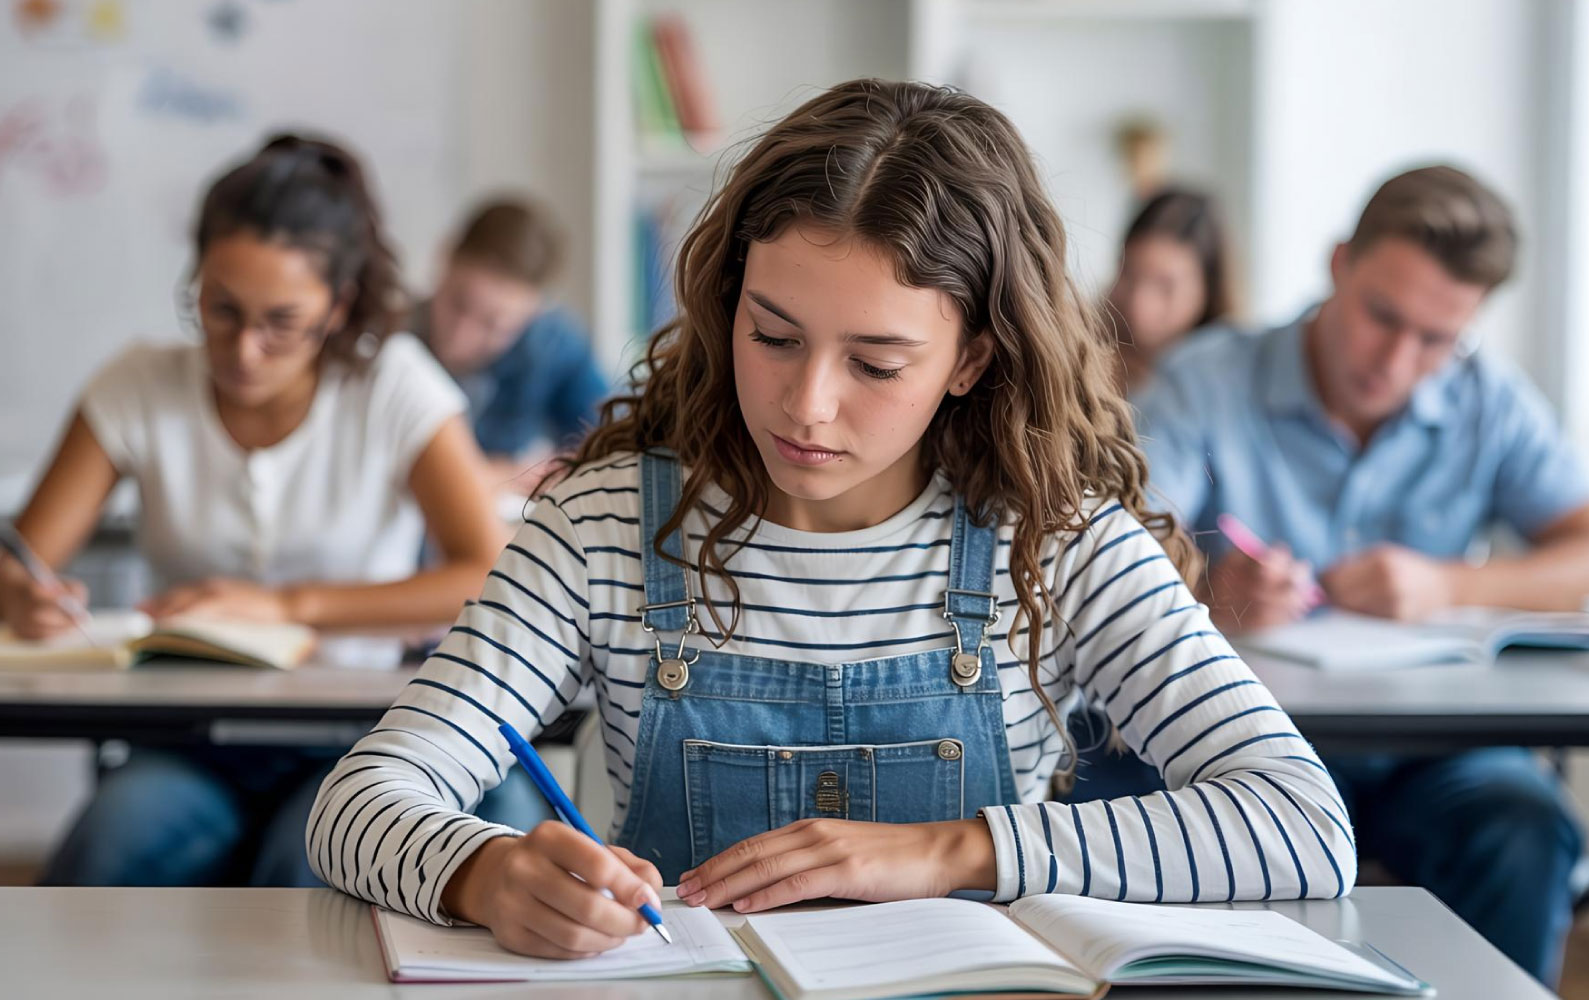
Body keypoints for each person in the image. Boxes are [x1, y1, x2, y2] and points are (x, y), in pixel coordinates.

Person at [308, 79, 1353, 960]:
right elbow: (358, 800)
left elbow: (1302, 824)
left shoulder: (1058, 542)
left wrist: (954, 850)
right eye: (772, 335)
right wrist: (485, 871)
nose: (805, 404)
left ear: (971, 361)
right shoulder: (605, 525)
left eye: (874, 363)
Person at [0, 134, 505, 886]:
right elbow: (21, 561)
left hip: (356, 738)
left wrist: (284, 605)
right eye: (221, 310)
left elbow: (489, 573)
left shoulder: (394, 386)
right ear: (196, 280)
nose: (244, 350)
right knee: (104, 854)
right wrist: (20, 596)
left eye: (282, 322)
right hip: (185, 738)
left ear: (336, 307)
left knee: (303, 876)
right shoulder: (138, 384)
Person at [1134, 164, 1589, 982]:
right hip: (1253, 742)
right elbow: (1115, 544)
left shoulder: (1489, 399)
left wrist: (1450, 585)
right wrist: (1216, 592)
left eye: (1438, 339)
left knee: (1523, 826)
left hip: (1440, 755)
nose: (1398, 359)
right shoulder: (1206, 381)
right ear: (1341, 263)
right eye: (1384, 316)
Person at [416, 199, 610, 492]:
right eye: (458, 303)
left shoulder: (551, 344)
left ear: (535, 310)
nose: (462, 335)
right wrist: (505, 475)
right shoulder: (388, 341)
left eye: (493, 324)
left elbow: (612, 444)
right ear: (445, 257)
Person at [1105, 187, 1234, 393]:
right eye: (1128, 274)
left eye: (1165, 286)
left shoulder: (1226, 381)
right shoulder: (1081, 349)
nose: (1140, 304)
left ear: (1207, 290)